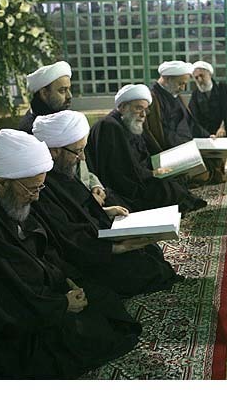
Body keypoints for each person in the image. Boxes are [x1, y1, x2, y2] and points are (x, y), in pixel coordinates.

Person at [0, 129, 141, 379]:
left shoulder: (9, 197)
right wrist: (61, 304)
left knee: (105, 302)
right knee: (94, 336)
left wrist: (63, 279)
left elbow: (38, 248)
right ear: (1, 182)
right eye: (33, 189)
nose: (36, 197)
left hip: (31, 297)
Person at [32, 110, 183, 297]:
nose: (83, 158)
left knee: (150, 250)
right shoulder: (42, 185)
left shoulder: (62, 169)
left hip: (93, 235)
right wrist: (116, 248)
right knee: (148, 270)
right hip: (85, 254)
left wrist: (104, 211)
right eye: (78, 151)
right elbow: (67, 237)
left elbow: (77, 207)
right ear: (54, 151)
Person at [86, 84, 207, 214]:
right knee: (164, 188)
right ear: (123, 107)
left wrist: (163, 166)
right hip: (125, 184)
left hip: (139, 174)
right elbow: (120, 171)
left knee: (175, 179)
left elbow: (146, 152)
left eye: (145, 109)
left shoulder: (130, 122)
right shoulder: (109, 126)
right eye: (138, 108)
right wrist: (152, 174)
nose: (143, 114)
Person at [18, 61, 107, 206]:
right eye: (62, 91)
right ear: (44, 93)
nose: (70, 96)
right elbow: (55, 185)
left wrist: (95, 184)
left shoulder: (63, 119)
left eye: (69, 89)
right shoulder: (32, 132)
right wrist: (88, 202)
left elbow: (80, 165)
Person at [145, 60, 224, 185]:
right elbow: (161, 132)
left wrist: (207, 136)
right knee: (204, 172)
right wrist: (187, 145)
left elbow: (190, 122)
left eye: (185, 84)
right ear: (167, 79)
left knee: (217, 156)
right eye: (180, 84)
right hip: (172, 149)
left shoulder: (174, 93)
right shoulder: (153, 98)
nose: (183, 88)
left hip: (187, 143)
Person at [189, 61, 227, 142]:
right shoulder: (195, 95)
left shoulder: (224, 89)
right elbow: (195, 119)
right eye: (196, 78)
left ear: (209, 74)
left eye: (202, 75)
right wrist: (207, 134)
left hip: (225, 129)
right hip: (206, 134)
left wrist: (223, 127)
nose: (200, 80)